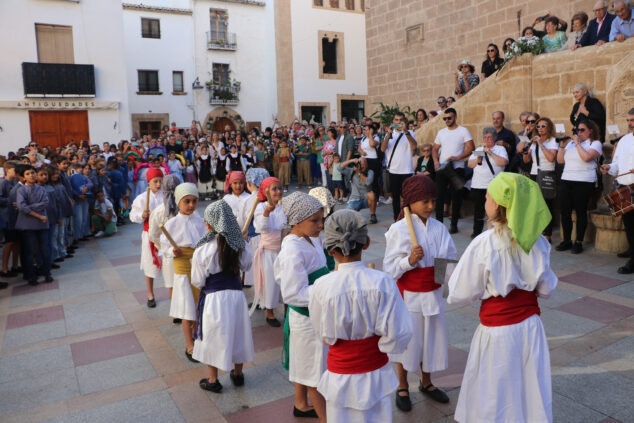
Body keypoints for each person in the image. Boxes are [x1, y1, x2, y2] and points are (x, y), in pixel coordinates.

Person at [447, 172, 557, 423]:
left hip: (497, 332)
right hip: (530, 328)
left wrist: (443, 272)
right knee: (528, 387)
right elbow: (547, 289)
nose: (484, 200)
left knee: (495, 393)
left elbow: (460, 293)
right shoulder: (538, 242)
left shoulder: (484, 243)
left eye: (487, 196)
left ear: (496, 204)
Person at [309, 209, 413, 423]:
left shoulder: (321, 287)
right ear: (365, 243)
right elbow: (401, 332)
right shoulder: (383, 283)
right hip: (376, 373)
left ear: (330, 250)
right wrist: (380, 347)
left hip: (340, 375)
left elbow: (322, 334)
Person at [384, 174, 456, 411]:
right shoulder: (398, 230)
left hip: (432, 293)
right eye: (424, 201)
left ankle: (427, 382)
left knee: (430, 340)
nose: (430, 206)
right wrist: (408, 261)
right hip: (409, 297)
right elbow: (390, 269)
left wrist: (447, 284)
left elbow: (447, 260)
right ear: (411, 201)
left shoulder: (439, 228)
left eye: (433, 201)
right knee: (408, 341)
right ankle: (403, 384)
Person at [273, 191, 328, 421]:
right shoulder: (292, 250)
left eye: (321, 219)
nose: (320, 225)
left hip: (315, 312)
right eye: (314, 220)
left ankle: (301, 404)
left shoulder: (311, 240)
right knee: (313, 371)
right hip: (305, 317)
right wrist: (328, 287)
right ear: (296, 221)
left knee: (307, 364)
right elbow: (293, 293)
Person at [193, 200, 254, 393]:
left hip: (214, 299)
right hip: (236, 296)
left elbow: (197, 280)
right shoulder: (239, 245)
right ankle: (237, 374)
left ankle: (213, 379)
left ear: (209, 224)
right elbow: (247, 266)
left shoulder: (203, 249)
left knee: (213, 336)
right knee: (238, 332)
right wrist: (243, 242)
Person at [161, 183, 207, 362]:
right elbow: (163, 247)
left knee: (199, 306)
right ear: (178, 202)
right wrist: (173, 251)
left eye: (194, 201)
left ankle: (199, 334)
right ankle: (190, 344)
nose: (191, 205)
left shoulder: (200, 221)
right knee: (188, 308)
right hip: (181, 268)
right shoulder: (171, 224)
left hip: (198, 266)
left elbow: (205, 242)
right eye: (186, 201)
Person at [556, 120, 602, 254]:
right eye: (577, 130)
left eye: (582, 130)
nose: (579, 133)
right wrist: (562, 147)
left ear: (590, 130)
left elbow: (587, 158)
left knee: (581, 212)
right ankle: (567, 240)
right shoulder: (570, 143)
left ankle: (579, 242)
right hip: (566, 179)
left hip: (584, 181)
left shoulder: (595, 143)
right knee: (565, 212)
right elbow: (560, 160)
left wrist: (577, 143)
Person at [600, 108, 634, 273]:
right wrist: (609, 167)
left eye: (632, 120)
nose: (630, 123)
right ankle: (632, 251)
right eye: (628, 120)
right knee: (628, 224)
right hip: (624, 186)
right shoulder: (624, 140)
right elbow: (618, 164)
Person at [432, 108, 475, 233]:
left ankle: (454, 224)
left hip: (457, 168)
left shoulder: (463, 131)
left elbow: (471, 148)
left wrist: (458, 157)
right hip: (442, 168)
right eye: (445, 118)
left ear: (455, 117)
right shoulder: (441, 132)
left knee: (456, 198)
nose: (447, 120)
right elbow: (435, 149)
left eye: (449, 118)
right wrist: (435, 161)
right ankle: (439, 224)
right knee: (439, 196)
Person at [251, 177, 285, 326]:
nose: (278, 191)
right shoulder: (260, 207)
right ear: (266, 192)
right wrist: (267, 212)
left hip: (283, 249)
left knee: (285, 281)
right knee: (270, 282)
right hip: (269, 251)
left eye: (279, 188)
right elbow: (262, 228)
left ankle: (288, 309)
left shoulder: (284, 206)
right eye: (274, 189)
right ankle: (270, 313)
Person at [130, 167, 164, 308]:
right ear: (148, 182)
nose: (158, 184)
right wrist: (142, 215)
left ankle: (173, 292)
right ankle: (150, 294)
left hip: (164, 235)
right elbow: (132, 216)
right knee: (150, 264)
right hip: (148, 234)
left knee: (169, 264)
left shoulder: (166, 196)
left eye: (160, 181)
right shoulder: (142, 198)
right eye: (155, 181)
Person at [468, 127, 509, 238]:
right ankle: (477, 232)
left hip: (494, 185)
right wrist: (478, 159)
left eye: (489, 137)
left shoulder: (500, 149)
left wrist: (490, 153)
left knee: (496, 210)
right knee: (478, 210)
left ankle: (495, 232)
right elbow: (470, 164)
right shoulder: (478, 149)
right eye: (485, 137)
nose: (487, 139)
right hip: (478, 185)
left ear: (495, 138)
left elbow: (503, 162)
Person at [148, 174, 180, 316]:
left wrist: (162, 247)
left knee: (175, 284)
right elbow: (154, 234)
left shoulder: (159, 211)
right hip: (177, 253)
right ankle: (180, 312)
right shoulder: (162, 211)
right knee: (177, 283)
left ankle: (177, 313)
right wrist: (165, 247)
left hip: (174, 253)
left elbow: (153, 234)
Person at [16, 165, 51, 285]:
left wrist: (28, 207)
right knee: (29, 251)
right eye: (28, 174)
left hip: (42, 224)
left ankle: (47, 273)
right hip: (28, 224)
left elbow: (45, 202)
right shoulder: (21, 190)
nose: (31, 175)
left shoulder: (41, 189)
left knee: (45, 249)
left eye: (33, 173)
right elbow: (21, 207)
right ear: (23, 177)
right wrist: (39, 215)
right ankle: (31, 276)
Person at [524, 117, 558, 241]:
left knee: (546, 204)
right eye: (538, 126)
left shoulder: (553, 141)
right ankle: (538, 230)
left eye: (543, 126)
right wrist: (525, 150)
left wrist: (540, 143)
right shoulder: (534, 142)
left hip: (547, 173)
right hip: (534, 173)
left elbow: (551, 158)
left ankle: (547, 233)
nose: (540, 128)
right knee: (535, 204)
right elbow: (527, 160)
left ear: (549, 127)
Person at [381, 112, 417, 221]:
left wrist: (405, 131)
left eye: (401, 120)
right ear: (393, 122)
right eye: (396, 120)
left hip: (407, 170)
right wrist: (388, 134)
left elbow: (414, 146)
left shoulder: (410, 133)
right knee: (395, 198)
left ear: (404, 121)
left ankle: (409, 220)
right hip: (393, 171)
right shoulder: (389, 135)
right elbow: (382, 149)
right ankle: (397, 220)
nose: (398, 122)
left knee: (408, 197)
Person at [238, 168, 269, 288]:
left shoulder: (246, 201)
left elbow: (241, 222)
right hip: (269, 238)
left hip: (254, 238)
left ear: (249, 183)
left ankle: (260, 300)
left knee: (256, 270)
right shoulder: (269, 200)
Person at [339, 157, 378, 223]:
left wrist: (359, 173)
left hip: (366, 200)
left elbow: (368, 182)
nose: (361, 166)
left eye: (363, 164)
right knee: (345, 215)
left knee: (371, 194)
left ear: (366, 165)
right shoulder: (352, 171)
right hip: (355, 199)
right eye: (360, 164)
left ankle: (373, 215)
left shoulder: (370, 172)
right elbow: (339, 168)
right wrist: (352, 160)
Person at [0, 161, 19, 280]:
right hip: (7, 217)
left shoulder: (15, 183)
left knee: (17, 242)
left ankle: (15, 266)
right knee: (9, 242)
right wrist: (11, 202)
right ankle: (4, 268)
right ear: (7, 170)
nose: (16, 173)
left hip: (16, 217)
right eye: (14, 170)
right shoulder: (3, 184)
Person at [358, 123, 381, 200]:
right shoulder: (363, 138)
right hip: (364, 160)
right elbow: (359, 148)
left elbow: (372, 144)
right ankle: (365, 197)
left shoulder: (376, 137)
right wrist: (361, 152)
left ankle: (376, 198)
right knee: (363, 179)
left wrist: (370, 135)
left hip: (373, 161)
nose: (365, 131)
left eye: (367, 130)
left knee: (373, 180)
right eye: (365, 130)